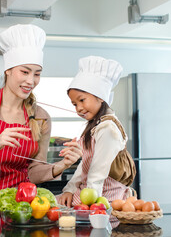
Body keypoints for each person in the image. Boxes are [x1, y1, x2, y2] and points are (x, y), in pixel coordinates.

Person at [0, 24, 82, 235]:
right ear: (8, 70)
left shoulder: (42, 117)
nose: (30, 81)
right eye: (24, 72)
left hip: (21, 212)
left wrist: (62, 165)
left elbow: (34, 173)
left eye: (37, 74)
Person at [58, 56, 136, 209]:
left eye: (82, 100)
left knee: (52, 207)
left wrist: (91, 208)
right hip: (90, 192)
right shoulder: (96, 126)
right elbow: (85, 166)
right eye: (74, 104)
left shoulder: (108, 129)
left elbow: (97, 173)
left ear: (100, 96)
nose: (78, 108)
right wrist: (70, 189)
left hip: (104, 195)